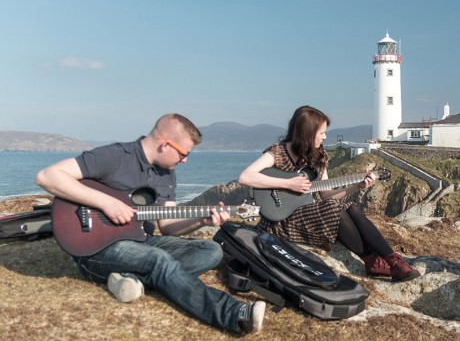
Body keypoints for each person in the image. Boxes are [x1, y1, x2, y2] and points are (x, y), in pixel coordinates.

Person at [35, 113, 265, 334]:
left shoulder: (167, 174)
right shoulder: (114, 156)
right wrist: (107, 203)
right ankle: (234, 314)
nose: (185, 160)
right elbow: (47, 176)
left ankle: (135, 281)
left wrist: (200, 219)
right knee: (158, 260)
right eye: (183, 153)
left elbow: (167, 226)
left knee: (211, 250)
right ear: (165, 145)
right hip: (95, 248)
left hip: (141, 240)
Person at [238, 105, 420, 282]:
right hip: (280, 220)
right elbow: (245, 177)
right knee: (334, 209)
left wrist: (357, 186)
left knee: (351, 207)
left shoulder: (319, 156)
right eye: (322, 132)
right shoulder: (279, 152)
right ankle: (370, 259)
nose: (325, 137)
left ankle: (393, 260)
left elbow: (326, 195)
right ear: (307, 132)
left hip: (305, 212)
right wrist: (288, 183)